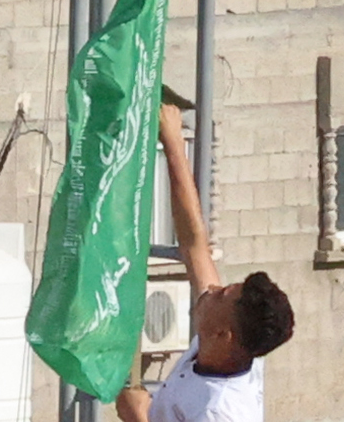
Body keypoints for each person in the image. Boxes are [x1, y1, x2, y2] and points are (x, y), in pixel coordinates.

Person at [116, 109, 291, 422]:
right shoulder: (224, 349)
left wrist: (139, 418)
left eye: (221, 295)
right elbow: (195, 245)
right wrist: (172, 141)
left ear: (224, 335)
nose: (210, 289)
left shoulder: (219, 411)